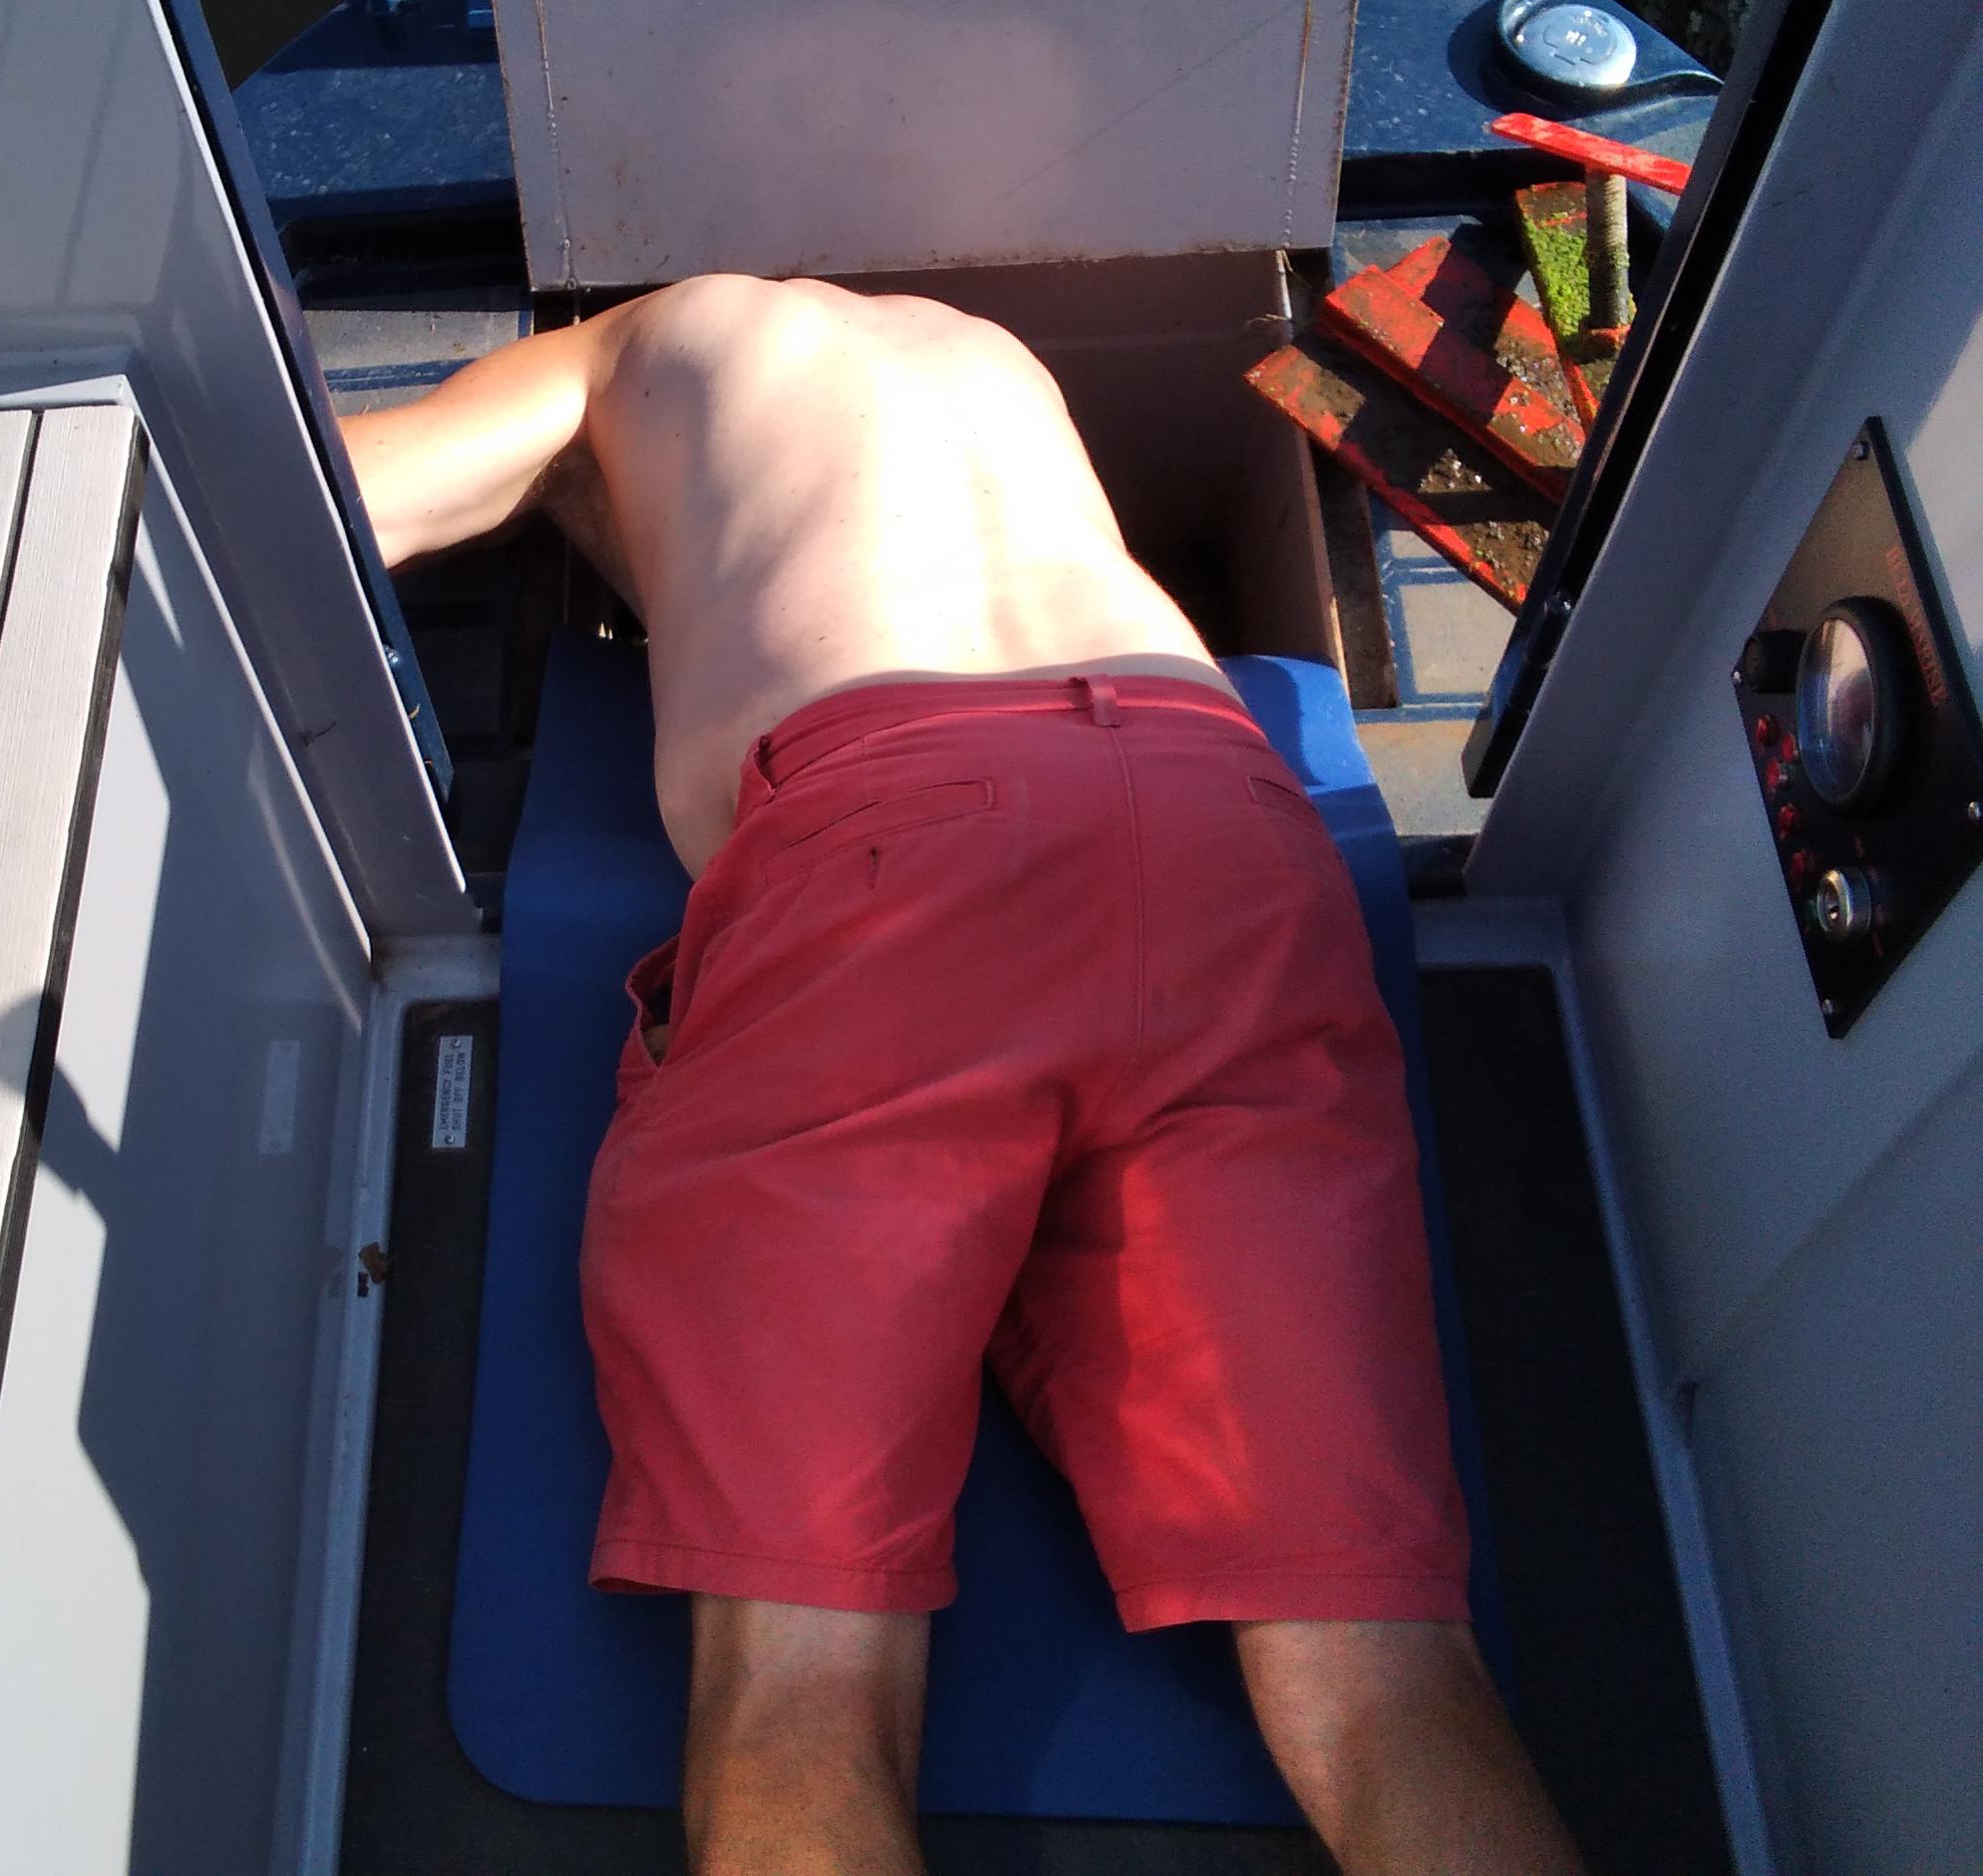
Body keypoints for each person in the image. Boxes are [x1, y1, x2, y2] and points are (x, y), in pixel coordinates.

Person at [340, 274, 1583, 1876]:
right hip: (1224, 823)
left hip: (897, 848)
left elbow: (327, 505)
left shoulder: (624, 348)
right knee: (1385, 1671)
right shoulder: (979, 355)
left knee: (802, 1681)